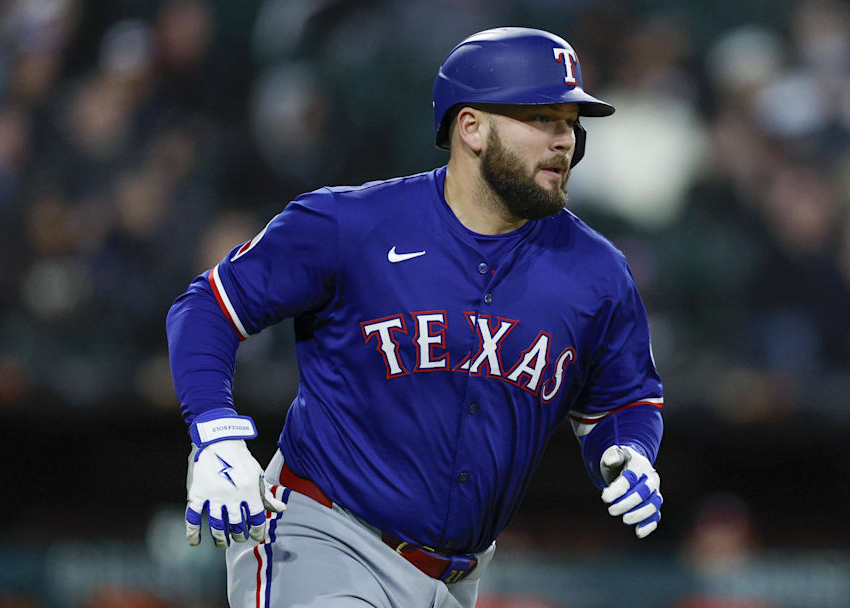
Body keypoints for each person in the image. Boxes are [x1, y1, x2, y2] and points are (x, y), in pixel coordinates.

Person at [167, 27, 665, 608]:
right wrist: (215, 436)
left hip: (458, 580)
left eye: (570, 122)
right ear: (471, 127)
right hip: (324, 539)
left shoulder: (597, 271)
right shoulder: (352, 224)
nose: (565, 140)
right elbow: (209, 306)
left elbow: (623, 399)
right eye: (542, 118)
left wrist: (630, 449)